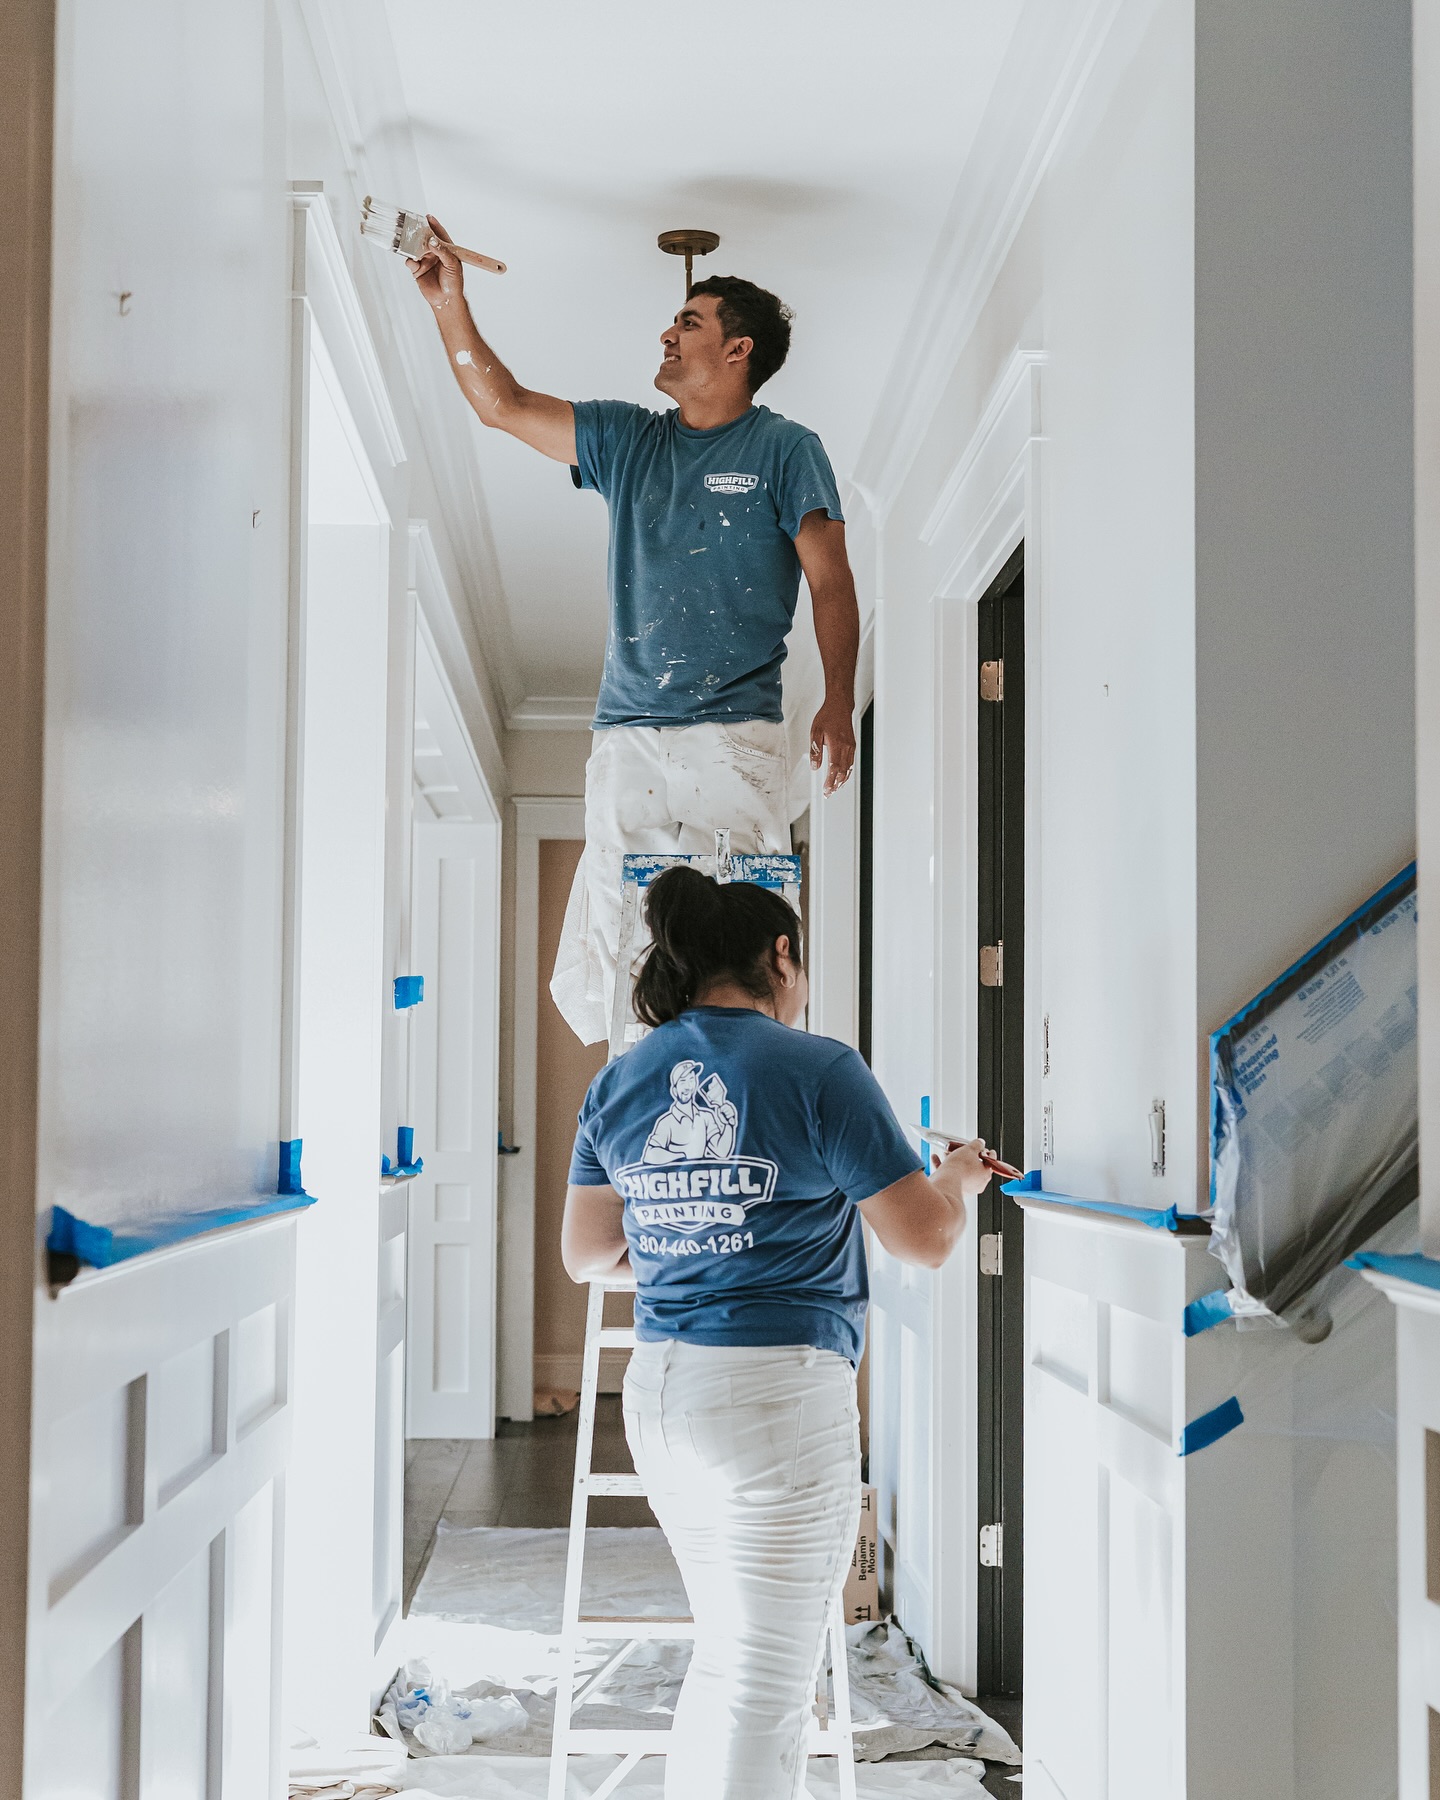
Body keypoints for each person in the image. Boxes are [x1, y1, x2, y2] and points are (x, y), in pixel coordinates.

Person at [561, 867, 992, 1800]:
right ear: (781, 955)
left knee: (728, 1659)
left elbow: (589, 1254)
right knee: (768, 1684)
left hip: (663, 1392)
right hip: (776, 1402)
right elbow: (923, 1240)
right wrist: (956, 1178)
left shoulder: (623, 1078)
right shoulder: (819, 1068)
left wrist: (701, 1239)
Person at [408, 222, 861, 1043]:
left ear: (739, 351)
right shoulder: (629, 440)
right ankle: (641, 1120)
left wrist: (837, 700)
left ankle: (752, 1100)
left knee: (750, 941)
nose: (667, 331)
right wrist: (450, 306)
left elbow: (830, 579)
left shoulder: (786, 450)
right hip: (630, 737)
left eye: (690, 321)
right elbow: (501, 406)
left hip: (736, 736)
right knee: (631, 951)